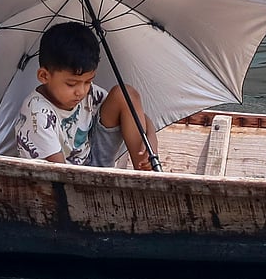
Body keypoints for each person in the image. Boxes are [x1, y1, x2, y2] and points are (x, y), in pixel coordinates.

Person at [14, 21, 159, 171]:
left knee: (125, 94)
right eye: (71, 84)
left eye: (88, 81)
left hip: (93, 159)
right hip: (65, 178)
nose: (81, 91)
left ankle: (147, 174)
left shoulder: (88, 94)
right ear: (44, 76)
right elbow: (58, 176)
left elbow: (134, 111)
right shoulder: (38, 114)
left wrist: (151, 141)